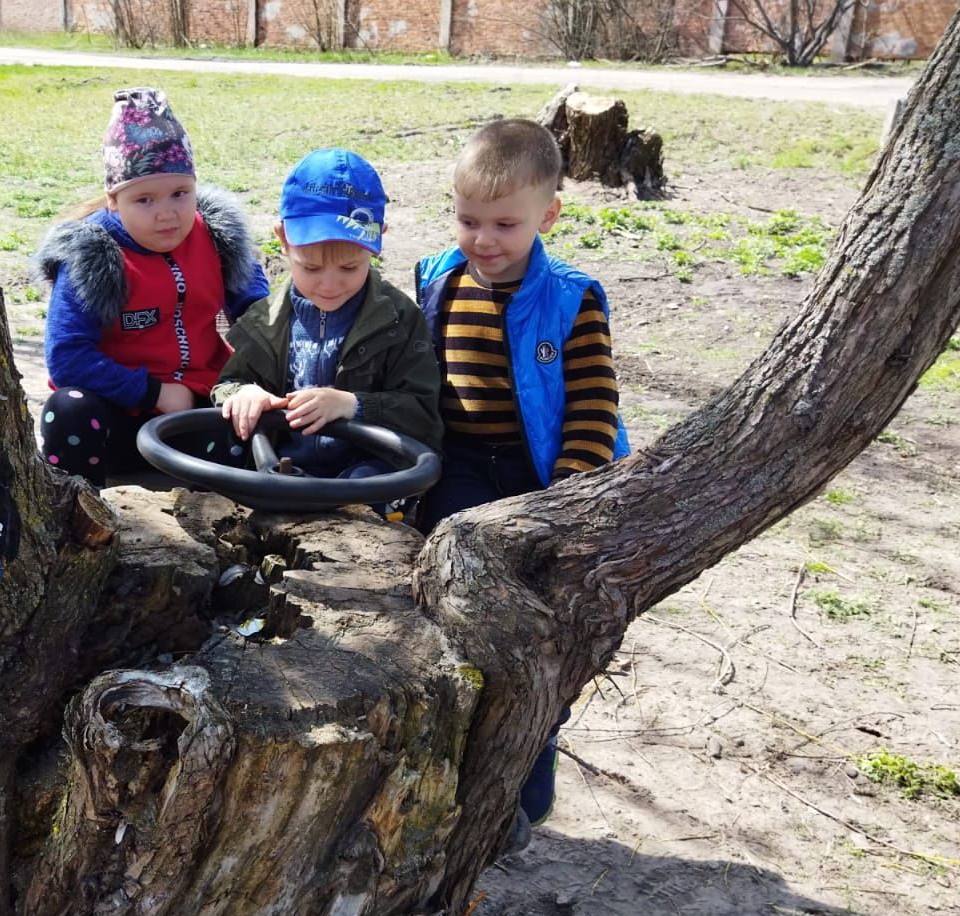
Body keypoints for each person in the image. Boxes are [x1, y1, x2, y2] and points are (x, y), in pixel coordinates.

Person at [414, 118, 631, 849]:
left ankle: (522, 794)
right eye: (468, 219)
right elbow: (419, 384)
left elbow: (595, 406)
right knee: (445, 603)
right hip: (459, 468)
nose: (483, 239)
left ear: (548, 215)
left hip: (539, 477)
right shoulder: (435, 278)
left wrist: (566, 502)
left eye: (505, 224)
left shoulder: (572, 298)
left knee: (534, 636)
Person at [32, 87, 269, 486]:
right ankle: (78, 511)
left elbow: (260, 318)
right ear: (114, 200)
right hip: (115, 412)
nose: (166, 214)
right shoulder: (92, 254)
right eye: (144, 200)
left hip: (198, 405)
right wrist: (153, 392)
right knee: (66, 409)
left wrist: (256, 383)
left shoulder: (217, 238)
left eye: (180, 194)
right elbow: (67, 356)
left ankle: (220, 516)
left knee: (249, 423)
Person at [212, 148, 441, 488]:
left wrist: (355, 405)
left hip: (368, 472)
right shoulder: (263, 323)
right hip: (279, 473)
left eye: (351, 267)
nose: (330, 285)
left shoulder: (400, 320)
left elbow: (423, 413)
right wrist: (242, 394)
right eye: (312, 267)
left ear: (376, 241)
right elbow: (225, 384)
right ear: (283, 239)